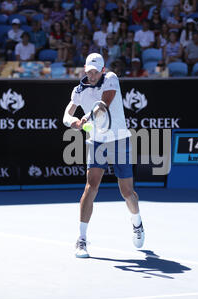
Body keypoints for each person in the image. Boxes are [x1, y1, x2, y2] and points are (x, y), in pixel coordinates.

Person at [63, 53, 144, 258]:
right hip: (96, 141)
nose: (91, 75)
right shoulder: (79, 90)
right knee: (91, 186)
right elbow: (67, 112)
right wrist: (71, 122)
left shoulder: (111, 79)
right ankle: (81, 239)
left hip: (119, 138)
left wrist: (86, 117)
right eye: (88, 71)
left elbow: (104, 104)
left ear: (102, 70)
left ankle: (137, 223)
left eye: (95, 71)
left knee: (127, 192)